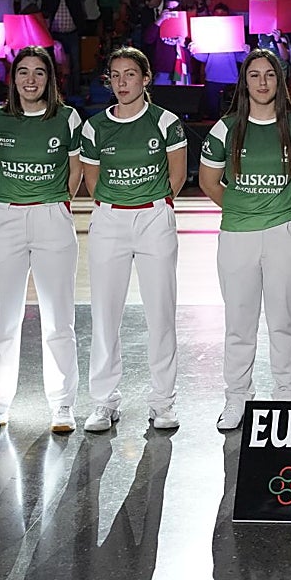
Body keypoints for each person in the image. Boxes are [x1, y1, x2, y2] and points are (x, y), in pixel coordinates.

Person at [199, 50, 291, 430]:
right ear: (245, 82)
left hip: (284, 232)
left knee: (285, 318)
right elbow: (208, 181)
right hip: (238, 233)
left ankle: (287, 397)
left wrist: (282, 209)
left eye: (269, 75)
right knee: (239, 321)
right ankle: (237, 397)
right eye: (254, 75)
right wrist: (243, 208)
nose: (262, 82)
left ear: (279, 80)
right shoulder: (226, 127)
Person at [0, 46, 83, 436]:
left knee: (59, 319)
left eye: (39, 72)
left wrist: (55, 205)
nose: (31, 79)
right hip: (6, 217)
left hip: (52, 215)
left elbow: (75, 172)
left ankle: (63, 405)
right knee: (4, 318)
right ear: (13, 78)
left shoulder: (67, 118)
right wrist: (10, 203)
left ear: (49, 78)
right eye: (23, 72)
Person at [79, 47, 187, 432]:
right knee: (105, 314)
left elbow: (177, 175)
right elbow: (91, 181)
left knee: (161, 312)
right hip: (110, 221)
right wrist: (116, 204)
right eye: (115, 75)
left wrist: (153, 206)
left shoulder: (166, 122)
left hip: (154, 217)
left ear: (146, 79)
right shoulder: (94, 127)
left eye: (130, 75)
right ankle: (104, 403)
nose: (122, 82)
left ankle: (163, 402)